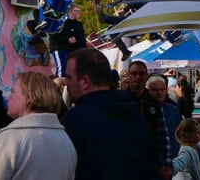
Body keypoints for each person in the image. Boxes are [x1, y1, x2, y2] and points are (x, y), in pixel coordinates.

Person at [60, 48, 149, 180]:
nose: (65, 82)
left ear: (85, 81)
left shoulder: (75, 120)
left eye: (68, 77)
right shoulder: (133, 112)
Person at [0, 72, 75, 180]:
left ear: (29, 97)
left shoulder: (10, 139)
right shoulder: (66, 140)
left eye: (13, 92)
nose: (8, 98)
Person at [125, 60, 172, 179]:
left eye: (141, 73)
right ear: (128, 75)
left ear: (146, 76)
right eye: (134, 73)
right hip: (128, 161)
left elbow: (163, 133)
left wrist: (167, 162)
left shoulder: (154, 102)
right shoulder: (122, 101)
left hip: (152, 161)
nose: (137, 77)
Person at [149, 74, 183, 165]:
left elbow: (181, 134)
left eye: (162, 89)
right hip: (152, 163)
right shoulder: (143, 109)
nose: (159, 93)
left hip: (173, 160)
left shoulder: (173, 110)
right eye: (155, 90)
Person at [49, 5, 86, 78]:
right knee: (61, 69)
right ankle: (59, 86)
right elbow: (55, 35)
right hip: (59, 48)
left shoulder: (78, 25)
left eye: (79, 11)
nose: (79, 13)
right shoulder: (61, 21)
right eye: (77, 11)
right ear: (71, 12)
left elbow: (81, 39)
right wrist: (67, 40)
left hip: (72, 51)